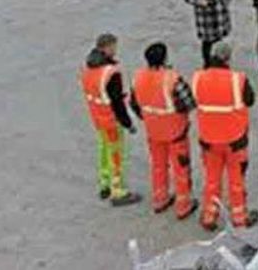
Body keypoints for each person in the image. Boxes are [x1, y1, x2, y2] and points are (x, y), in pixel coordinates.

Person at [192, 41, 258, 230]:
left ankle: (209, 215)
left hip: (208, 139)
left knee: (212, 179)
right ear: (228, 58)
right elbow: (250, 99)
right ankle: (239, 216)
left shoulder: (198, 78)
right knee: (236, 180)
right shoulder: (238, 79)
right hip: (234, 139)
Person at [129, 42, 198, 219]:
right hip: (175, 131)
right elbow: (188, 103)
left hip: (153, 130)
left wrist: (148, 117)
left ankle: (160, 198)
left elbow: (134, 103)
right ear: (165, 58)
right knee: (181, 167)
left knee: (158, 165)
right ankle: (183, 204)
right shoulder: (172, 78)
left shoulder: (138, 78)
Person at [80, 33, 142, 206]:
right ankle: (118, 190)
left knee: (103, 151)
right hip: (110, 120)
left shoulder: (88, 70)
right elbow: (117, 103)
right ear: (106, 48)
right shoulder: (110, 73)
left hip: (97, 118)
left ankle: (105, 183)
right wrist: (128, 123)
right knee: (116, 154)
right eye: (114, 46)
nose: (115, 50)